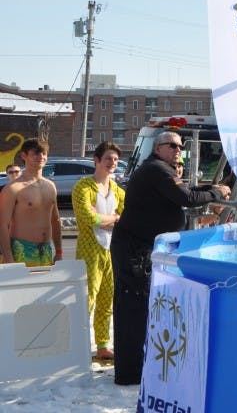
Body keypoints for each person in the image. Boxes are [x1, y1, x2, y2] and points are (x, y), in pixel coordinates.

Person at [110, 131, 230, 386]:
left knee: (141, 309)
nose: (178, 149)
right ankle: (128, 374)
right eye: (172, 145)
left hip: (142, 247)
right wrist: (215, 193)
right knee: (132, 309)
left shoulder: (162, 170)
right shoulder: (157, 169)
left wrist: (214, 189)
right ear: (158, 148)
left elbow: (188, 191)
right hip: (134, 248)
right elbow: (186, 198)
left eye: (181, 146)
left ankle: (135, 368)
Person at [71, 141, 126, 362]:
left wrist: (106, 220)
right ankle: (79, 346)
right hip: (89, 249)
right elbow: (87, 217)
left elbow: (126, 220)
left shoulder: (118, 190)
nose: (112, 163)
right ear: (96, 160)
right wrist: (113, 218)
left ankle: (103, 345)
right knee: (87, 299)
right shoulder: (83, 187)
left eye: (115, 159)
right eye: (108, 159)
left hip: (111, 249)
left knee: (107, 298)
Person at [0, 139, 62, 266]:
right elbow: (2, 226)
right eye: (35, 153)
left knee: (44, 286)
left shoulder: (50, 186)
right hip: (20, 252)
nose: (41, 157)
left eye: (44, 153)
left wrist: (59, 251)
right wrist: (8, 258)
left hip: (45, 251)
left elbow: (55, 221)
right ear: (24, 155)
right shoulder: (13, 188)